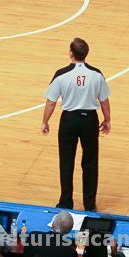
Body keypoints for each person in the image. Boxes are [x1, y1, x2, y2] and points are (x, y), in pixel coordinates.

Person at [40, 38, 111, 212]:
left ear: (71, 53)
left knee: (66, 161)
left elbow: (51, 102)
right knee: (90, 162)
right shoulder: (96, 74)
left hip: (69, 121)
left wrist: (45, 121)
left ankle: (65, 202)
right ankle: (89, 204)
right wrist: (107, 119)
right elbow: (104, 101)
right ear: (86, 54)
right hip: (89, 121)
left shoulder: (61, 74)